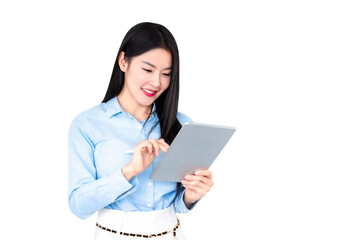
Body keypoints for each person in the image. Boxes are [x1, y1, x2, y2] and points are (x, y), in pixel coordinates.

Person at [68, 22, 214, 240]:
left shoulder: (182, 125)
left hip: (170, 234)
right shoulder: (88, 124)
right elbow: (78, 205)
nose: (156, 82)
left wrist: (191, 196)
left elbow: (178, 203)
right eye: (147, 69)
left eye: (166, 73)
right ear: (123, 61)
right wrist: (130, 171)